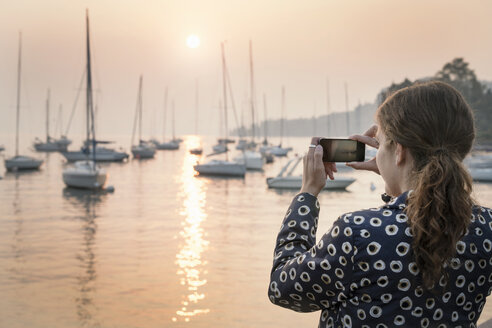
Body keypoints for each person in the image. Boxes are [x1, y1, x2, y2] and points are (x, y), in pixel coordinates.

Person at [268, 81, 492, 328]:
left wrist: (307, 194)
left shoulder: (358, 233)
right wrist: (394, 180)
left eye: (382, 142)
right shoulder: (486, 229)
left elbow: (282, 287)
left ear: (399, 151)